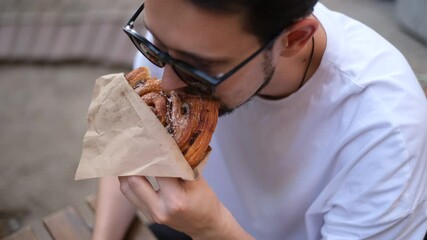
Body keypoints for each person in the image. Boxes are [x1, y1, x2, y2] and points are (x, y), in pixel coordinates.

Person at [92, 0, 427, 239]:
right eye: (155, 44)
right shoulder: (184, 37)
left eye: (199, 69)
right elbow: (130, 146)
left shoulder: (384, 134)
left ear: (295, 39)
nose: (167, 81)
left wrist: (213, 229)